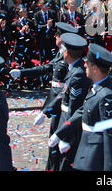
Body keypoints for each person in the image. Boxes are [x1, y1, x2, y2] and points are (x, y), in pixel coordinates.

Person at [9, 22, 78, 170]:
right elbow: (47, 68)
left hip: (61, 104)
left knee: (58, 139)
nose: (55, 36)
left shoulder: (69, 57)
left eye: (57, 35)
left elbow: (65, 88)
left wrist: (46, 110)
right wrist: (22, 73)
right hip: (54, 101)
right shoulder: (61, 52)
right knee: (53, 140)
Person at [51, 43, 112, 171]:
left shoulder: (107, 95)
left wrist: (110, 168)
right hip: (86, 147)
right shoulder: (97, 87)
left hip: (94, 154)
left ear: (94, 68)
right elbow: (81, 111)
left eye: (87, 63)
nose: (84, 65)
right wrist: (60, 133)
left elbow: (110, 134)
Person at [48, 33, 91, 171]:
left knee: (67, 164)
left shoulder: (78, 74)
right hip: (64, 119)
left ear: (66, 53)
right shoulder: (74, 69)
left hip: (70, 124)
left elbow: (75, 107)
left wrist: (66, 136)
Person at [9, 5, 39, 90]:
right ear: (19, 13)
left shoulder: (30, 22)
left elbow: (35, 33)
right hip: (19, 47)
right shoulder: (15, 23)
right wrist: (21, 32)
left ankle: (29, 82)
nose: (25, 12)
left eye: (26, 10)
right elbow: (13, 36)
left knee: (29, 64)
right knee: (19, 64)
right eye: (23, 11)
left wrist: (29, 31)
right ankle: (20, 83)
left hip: (29, 46)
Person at [34, 0, 58, 64]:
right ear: (41, 6)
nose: (47, 6)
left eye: (47, 5)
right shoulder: (37, 15)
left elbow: (56, 24)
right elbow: (37, 26)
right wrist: (47, 26)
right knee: (42, 57)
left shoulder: (52, 13)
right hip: (41, 39)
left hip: (51, 39)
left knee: (52, 57)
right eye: (45, 5)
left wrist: (52, 26)